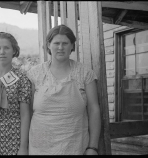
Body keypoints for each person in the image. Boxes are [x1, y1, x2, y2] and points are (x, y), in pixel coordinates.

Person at [27, 25, 101, 155]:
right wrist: (24, 146)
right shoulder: (34, 74)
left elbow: (94, 109)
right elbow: (27, 111)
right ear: (49, 45)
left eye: (65, 43)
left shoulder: (85, 73)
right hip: (39, 148)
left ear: (72, 46)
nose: (60, 47)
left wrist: (93, 147)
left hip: (74, 148)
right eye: (56, 43)